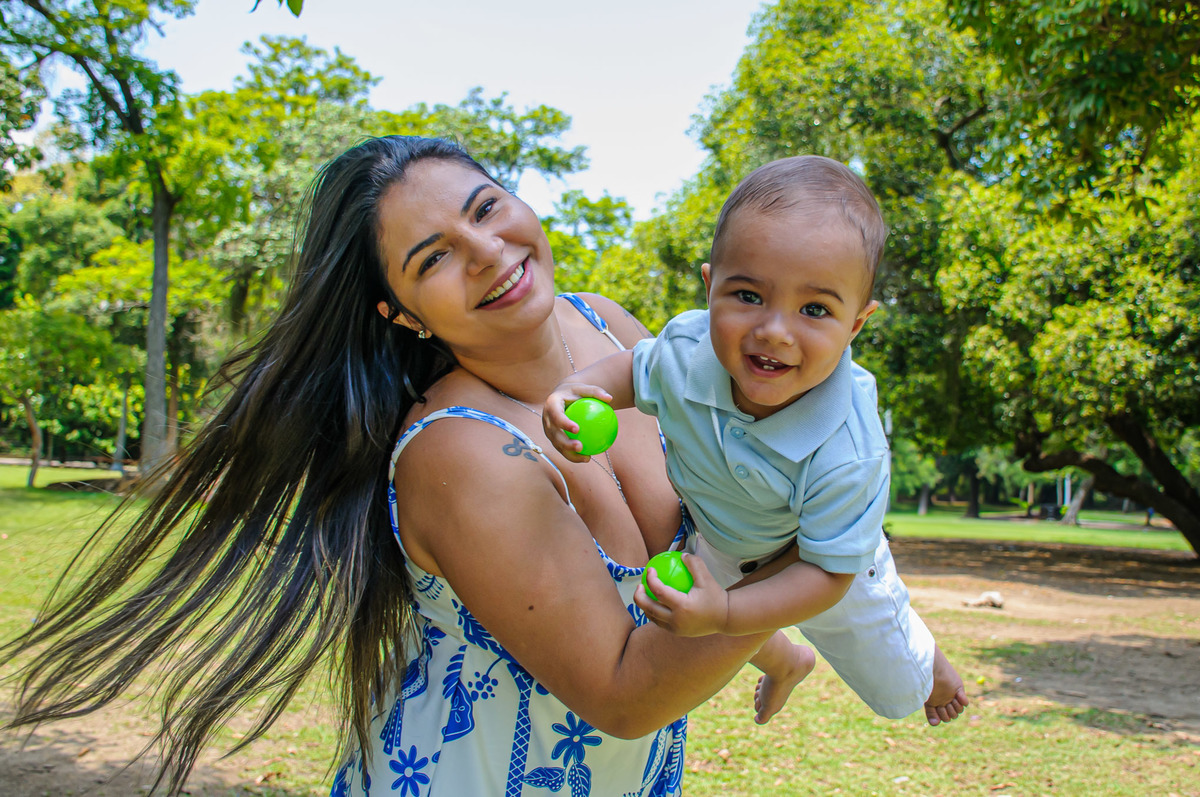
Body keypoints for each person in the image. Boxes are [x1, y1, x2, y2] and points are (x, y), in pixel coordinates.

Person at [1, 136, 808, 797]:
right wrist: (814, 552)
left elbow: (683, 546)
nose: (489, 252)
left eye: (487, 207)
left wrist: (774, 642)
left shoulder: (613, 328)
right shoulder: (463, 452)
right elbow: (624, 690)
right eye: (434, 257)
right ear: (399, 310)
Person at [543, 155, 969, 726]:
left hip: (825, 553)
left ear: (856, 325)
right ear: (710, 285)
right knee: (700, 612)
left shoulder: (847, 448)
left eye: (815, 308)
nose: (774, 330)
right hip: (722, 534)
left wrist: (723, 612)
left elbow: (824, 577)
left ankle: (929, 663)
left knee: (894, 691)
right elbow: (632, 373)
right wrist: (577, 390)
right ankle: (788, 660)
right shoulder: (688, 349)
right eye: (747, 296)